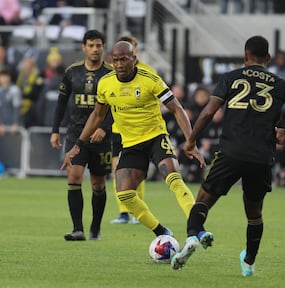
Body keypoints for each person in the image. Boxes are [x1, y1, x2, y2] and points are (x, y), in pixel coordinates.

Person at [171, 35, 285, 277]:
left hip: (231, 152)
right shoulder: (280, 85)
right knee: (254, 213)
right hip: (261, 156)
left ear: (245, 57)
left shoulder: (230, 78)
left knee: (203, 198)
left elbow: (208, 112)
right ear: (268, 58)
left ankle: (193, 235)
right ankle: (249, 261)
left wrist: (191, 140)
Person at [62, 41, 205, 238]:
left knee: (172, 177)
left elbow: (177, 108)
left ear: (134, 59)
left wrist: (191, 141)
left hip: (155, 137)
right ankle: (162, 232)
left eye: (124, 59)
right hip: (131, 144)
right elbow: (97, 115)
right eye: (116, 60)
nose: (119, 64)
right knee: (125, 194)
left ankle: (197, 228)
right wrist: (78, 144)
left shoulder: (150, 79)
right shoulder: (105, 83)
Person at [50, 29, 113, 241]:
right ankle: (78, 229)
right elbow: (61, 103)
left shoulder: (112, 74)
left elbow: (118, 106)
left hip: (101, 137)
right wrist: (55, 130)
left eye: (98, 45)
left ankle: (96, 228)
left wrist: (104, 127)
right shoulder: (72, 72)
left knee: (98, 183)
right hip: (76, 134)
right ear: (84, 47)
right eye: (91, 45)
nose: (95, 49)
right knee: (74, 176)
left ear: (103, 47)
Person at [109, 34, 156, 225]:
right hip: (117, 129)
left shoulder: (147, 71)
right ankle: (123, 213)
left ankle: (138, 210)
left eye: (133, 46)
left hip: (140, 131)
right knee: (117, 169)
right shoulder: (113, 73)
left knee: (137, 171)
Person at [0, 66, 22, 135]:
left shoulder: (15, 90)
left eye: (6, 76)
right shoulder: (0, 90)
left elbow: (17, 108)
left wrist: (15, 123)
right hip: (3, 127)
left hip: (13, 127)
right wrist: (0, 124)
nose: (4, 78)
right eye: (2, 76)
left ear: (9, 77)